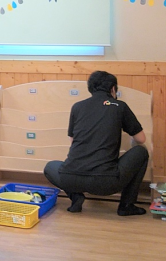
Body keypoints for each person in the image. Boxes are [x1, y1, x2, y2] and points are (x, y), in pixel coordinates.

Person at [44, 70, 149, 216]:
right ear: (113, 89)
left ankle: (75, 196)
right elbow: (141, 139)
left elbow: (73, 142)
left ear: (90, 88)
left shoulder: (77, 107)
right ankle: (126, 205)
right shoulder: (119, 106)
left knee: (50, 167)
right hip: (105, 183)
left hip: (71, 179)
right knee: (141, 152)